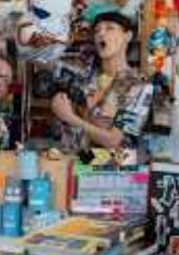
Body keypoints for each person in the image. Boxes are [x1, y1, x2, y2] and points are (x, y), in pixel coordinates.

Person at [50, 9, 153, 153]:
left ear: (127, 36)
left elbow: (115, 140)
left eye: (110, 28)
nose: (101, 34)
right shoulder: (86, 78)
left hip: (112, 169)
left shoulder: (139, 86)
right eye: (97, 31)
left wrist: (70, 117)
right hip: (72, 161)